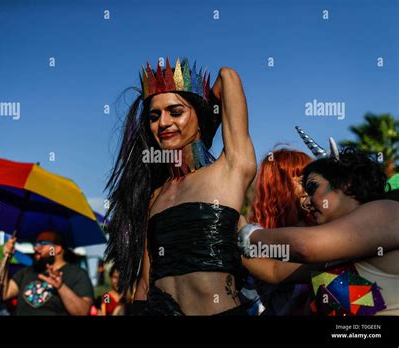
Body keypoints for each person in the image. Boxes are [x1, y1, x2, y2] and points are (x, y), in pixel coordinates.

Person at [105, 57, 257, 315]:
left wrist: (206, 125)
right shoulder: (155, 195)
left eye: (176, 112)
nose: (163, 123)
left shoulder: (229, 168)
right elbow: (145, 283)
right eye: (154, 116)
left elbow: (227, 76)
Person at [240, 136, 399, 315]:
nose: (306, 202)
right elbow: (274, 270)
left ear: (345, 183)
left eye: (313, 187)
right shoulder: (335, 250)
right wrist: (230, 225)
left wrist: (249, 234)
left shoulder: (386, 211)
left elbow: (304, 246)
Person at [242, 148, 317, 315]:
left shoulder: (322, 225)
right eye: (302, 180)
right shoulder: (257, 239)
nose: (311, 188)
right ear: (277, 187)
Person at [0, 230, 94, 315]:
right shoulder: (26, 272)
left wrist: (61, 287)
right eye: (35, 244)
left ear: (57, 249)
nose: (36, 248)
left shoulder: (77, 275)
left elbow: (82, 312)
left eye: (42, 244)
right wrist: (6, 258)